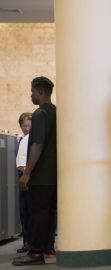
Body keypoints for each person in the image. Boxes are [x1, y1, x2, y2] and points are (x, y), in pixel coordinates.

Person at [13, 77, 57, 266]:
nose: (31, 94)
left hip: (41, 175)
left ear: (40, 91)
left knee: (37, 214)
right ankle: (46, 247)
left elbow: (37, 145)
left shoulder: (40, 114)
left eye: (32, 91)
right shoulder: (56, 112)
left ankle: (35, 253)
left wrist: (27, 173)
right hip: (54, 175)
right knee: (48, 214)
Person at [16, 112, 32, 254]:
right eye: (24, 126)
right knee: (23, 212)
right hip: (21, 175)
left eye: (28, 125)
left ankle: (31, 243)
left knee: (29, 211)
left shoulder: (31, 140)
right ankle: (26, 242)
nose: (26, 128)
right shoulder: (20, 139)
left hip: (27, 176)